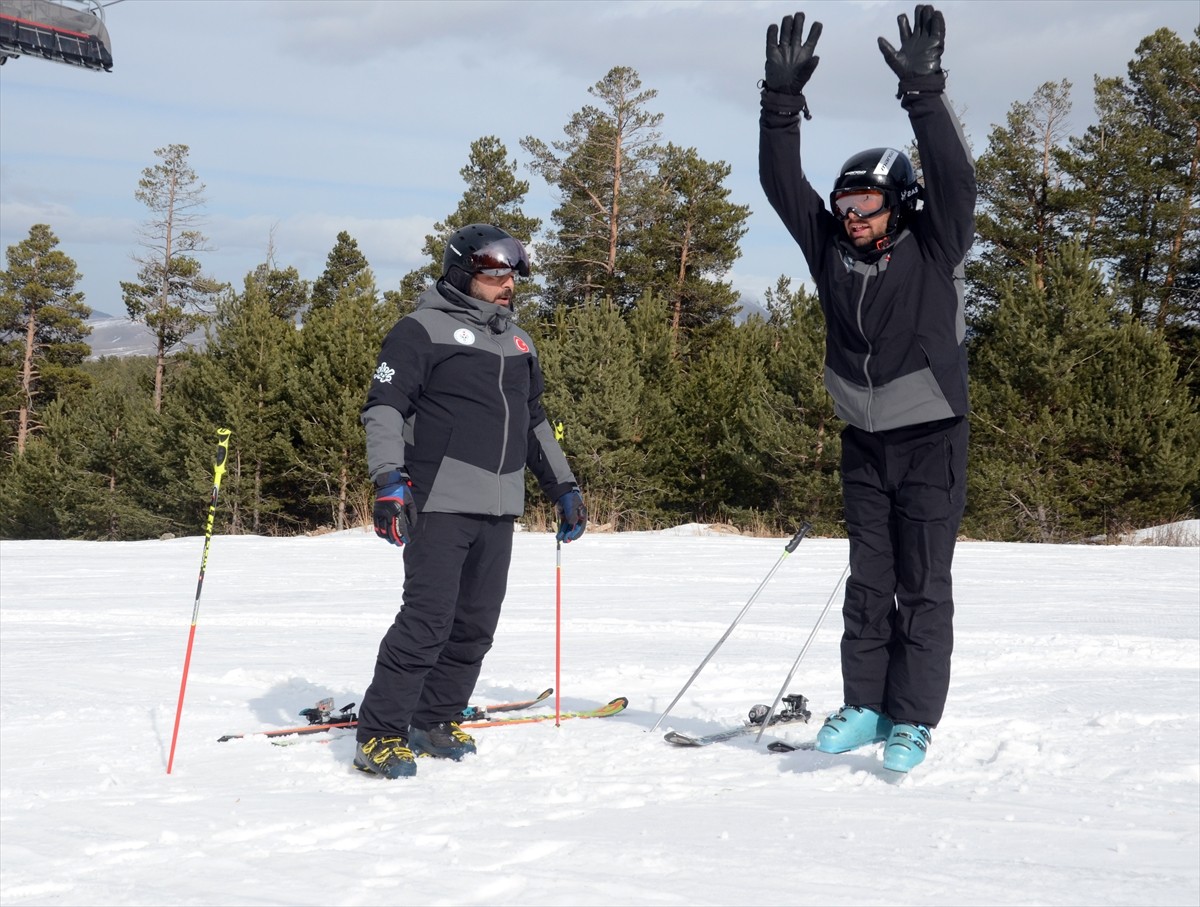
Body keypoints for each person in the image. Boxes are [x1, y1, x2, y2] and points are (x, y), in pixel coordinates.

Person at [758, 5, 975, 773]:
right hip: (865, 441)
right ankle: (867, 704)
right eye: (843, 207)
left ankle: (913, 719)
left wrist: (923, 90)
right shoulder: (830, 252)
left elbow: (956, 173)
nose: (848, 218)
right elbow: (782, 183)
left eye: (864, 206)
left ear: (899, 204)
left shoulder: (936, 240)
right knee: (867, 581)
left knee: (921, 585)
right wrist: (778, 104)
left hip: (930, 440)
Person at [354, 224, 587, 779]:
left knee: (476, 624)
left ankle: (434, 718)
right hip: (437, 500)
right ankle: (380, 733)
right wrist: (388, 479)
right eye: (494, 274)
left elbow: (534, 424)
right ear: (462, 273)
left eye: (512, 276)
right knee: (427, 620)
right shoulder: (419, 331)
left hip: (500, 505)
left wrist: (564, 486)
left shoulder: (519, 342)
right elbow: (383, 407)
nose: (507, 285)